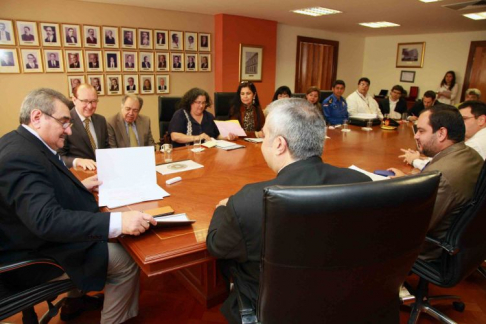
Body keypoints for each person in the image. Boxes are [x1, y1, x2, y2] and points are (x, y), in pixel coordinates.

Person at [206, 98, 371, 323]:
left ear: (280, 145)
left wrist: (221, 208)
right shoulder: (360, 182)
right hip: (341, 302)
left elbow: (216, 245)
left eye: (264, 136)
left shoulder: (248, 201)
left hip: (273, 309)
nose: (262, 142)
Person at [0, 88, 156, 324]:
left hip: (31, 238)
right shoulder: (20, 156)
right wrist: (118, 221)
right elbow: (47, 221)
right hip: (34, 255)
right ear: (36, 117)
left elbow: (39, 194)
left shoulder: (18, 142)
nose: (69, 130)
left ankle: (77, 298)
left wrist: (79, 187)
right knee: (126, 261)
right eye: (64, 122)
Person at [388, 105, 483, 260]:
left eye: (421, 130)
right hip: (464, 244)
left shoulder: (440, 176)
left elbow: (412, 227)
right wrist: (407, 181)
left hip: (431, 248)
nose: (416, 136)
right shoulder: (470, 155)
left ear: (441, 133)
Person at [59, 84, 110, 170]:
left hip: (101, 172)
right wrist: (77, 161)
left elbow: (106, 147)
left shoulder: (101, 120)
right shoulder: (64, 121)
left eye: (93, 101)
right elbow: (59, 156)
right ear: (74, 100)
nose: (90, 106)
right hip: (78, 175)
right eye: (85, 101)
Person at [168, 88, 237, 148]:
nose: (201, 106)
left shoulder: (209, 116)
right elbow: (175, 136)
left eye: (204, 103)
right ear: (190, 102)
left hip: (207, 154)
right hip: (184, 154)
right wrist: (198, 137)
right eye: (198, 102)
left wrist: (227, 136)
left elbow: (217, 135)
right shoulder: (180, 114)